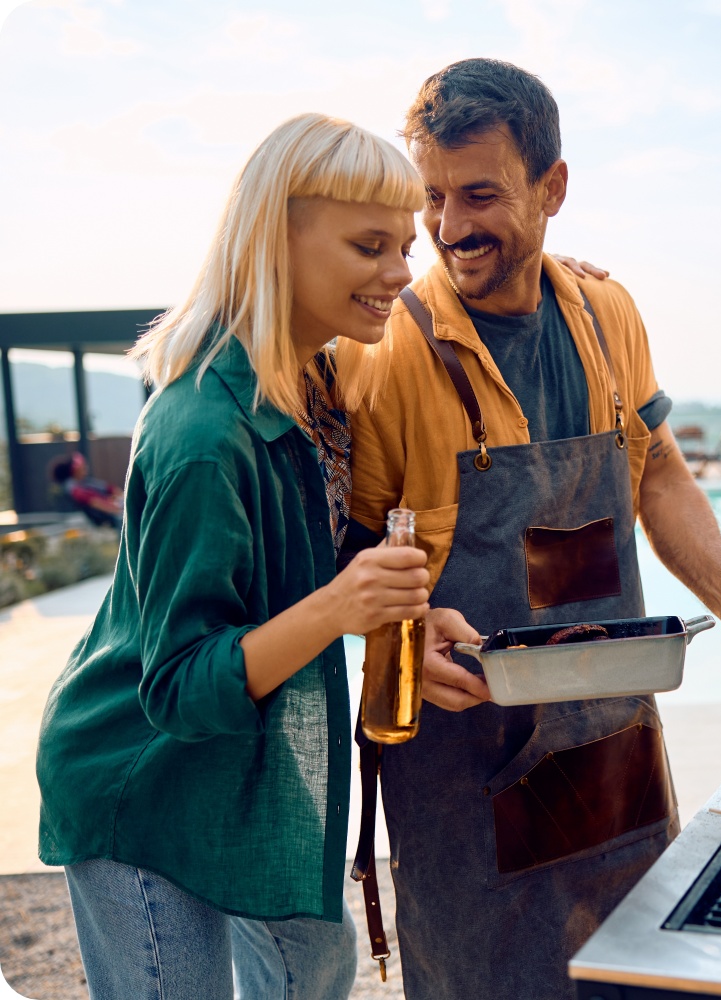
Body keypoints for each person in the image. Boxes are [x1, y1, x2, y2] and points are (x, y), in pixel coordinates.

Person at [337, 59, 721, 1000]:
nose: (450, 227)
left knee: (637, 981)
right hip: (466, 771)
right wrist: (397, 635)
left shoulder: (609, 315)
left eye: (481, 194)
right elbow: (347, 552)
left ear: (552, 187)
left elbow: (660, 471)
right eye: (432, 196)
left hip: (611, 756)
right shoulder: (384, 351)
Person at [34, 113, 472, 999]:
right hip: (139, 775)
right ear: (280, 240)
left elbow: (312, 554)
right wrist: (341, 610)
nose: (402, 272)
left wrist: (405, 624)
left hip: (244, 773)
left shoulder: (313, 382)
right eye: (370, 246)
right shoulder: (200, 432)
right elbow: (180, 688)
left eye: (405, 244)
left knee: (314, 971)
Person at [51, 451, 123, 530]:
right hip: (108, 519)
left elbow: (110, 488)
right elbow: (96, 502)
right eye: (83, 467)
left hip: (115, 507)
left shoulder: (84, 482)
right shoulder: (74, 489)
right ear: (74, 470)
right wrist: (120, 511)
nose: (86, 470)